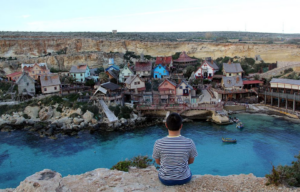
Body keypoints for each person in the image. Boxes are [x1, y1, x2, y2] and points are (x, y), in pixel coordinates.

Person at [152, 113, 198, 186]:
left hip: (165, 179)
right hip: (184, 179)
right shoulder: (189, 142)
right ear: (181, 126)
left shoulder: (158, 143)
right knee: (189, 171)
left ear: (166, 125)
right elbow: (191, 161)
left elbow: (158, 161)